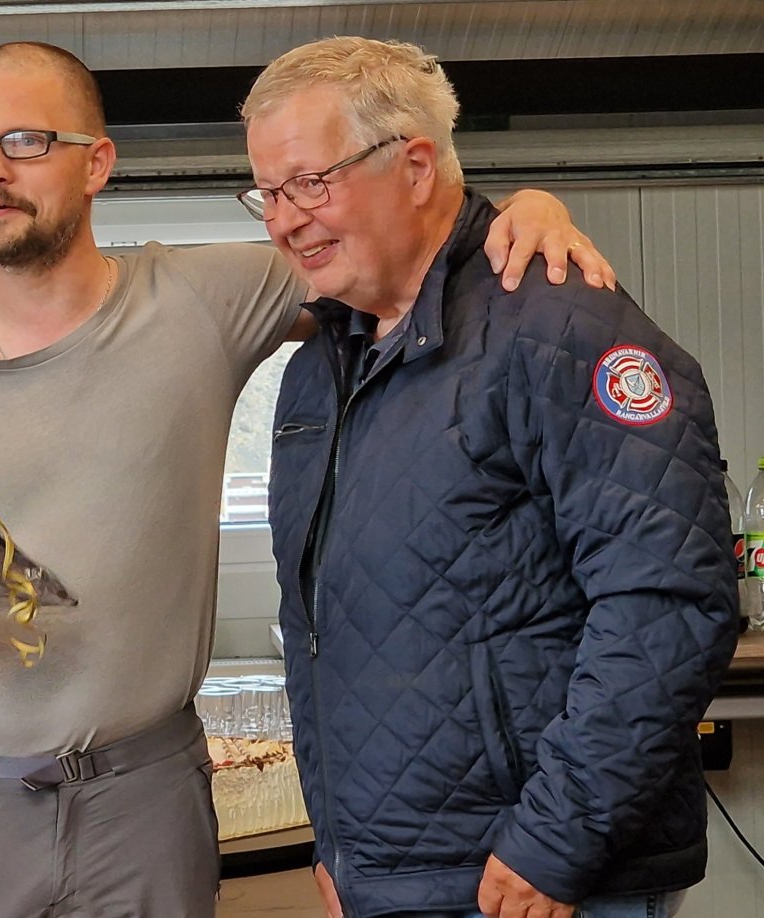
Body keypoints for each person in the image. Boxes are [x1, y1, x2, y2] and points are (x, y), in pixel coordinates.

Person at [0, 41, 613, 918]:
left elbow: (401, 245)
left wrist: (530, 205)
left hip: (142, 798)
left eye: (28, 141)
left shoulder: (203, 298)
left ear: (97, 163)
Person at [245, 36, 739, 918]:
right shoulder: (320, 366)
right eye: (269, 194)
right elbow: (317, 627)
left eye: (310, 183)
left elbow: (669, 602)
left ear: (417, 165)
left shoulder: (559, 323)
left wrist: (556, 843)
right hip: (390, 879)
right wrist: (342, 848)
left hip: (537, 882)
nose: (286, 219)